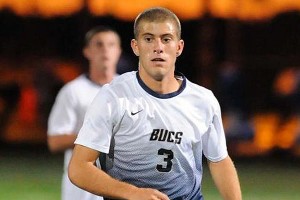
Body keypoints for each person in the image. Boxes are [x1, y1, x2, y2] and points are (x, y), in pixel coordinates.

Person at [68, 7, 242, 200]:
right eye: (149, 39)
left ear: (179, 47)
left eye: (166, 39)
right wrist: (133, 193)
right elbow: (79, 168)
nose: (158, 47)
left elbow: (219, 160)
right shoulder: (113, 97)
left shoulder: (203, 101)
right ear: (135, 46)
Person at [47, 25, 122, 200]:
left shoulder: (129, 90)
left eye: (111, 45)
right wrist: (96, 136)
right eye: (99, 44)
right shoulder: (73, 91)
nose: (105, 50)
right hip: (81, 191)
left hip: (120, 186)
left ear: (118, 51)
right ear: (87, 51)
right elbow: (55, 141)